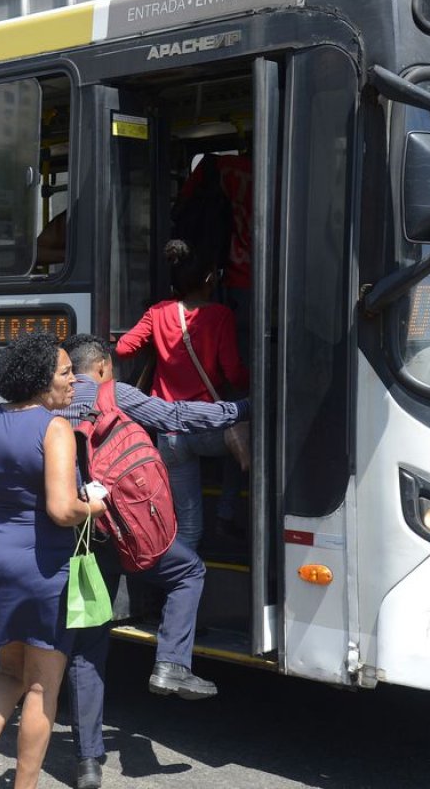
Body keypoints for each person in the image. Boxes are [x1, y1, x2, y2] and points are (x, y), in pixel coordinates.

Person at [59, 333, 248, 789]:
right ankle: (171, 663)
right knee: (188, 571)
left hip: (85, 539)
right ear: (101, 367)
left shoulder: (53, 407)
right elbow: (176, 417)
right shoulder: (113, 393)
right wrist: (240, 409)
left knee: (88, 648)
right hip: (134, 532)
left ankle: (88, 763)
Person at [0, 332, 106, 789]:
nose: (73, 381)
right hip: (42, 568)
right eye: (65, 373)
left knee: (8, 672)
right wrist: (92, 506)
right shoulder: (54, 427)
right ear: (41, 380)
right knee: (41, 687)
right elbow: (62, 510)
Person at [114, 238, 248, 550]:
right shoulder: (220, 316)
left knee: (188, 524)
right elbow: (233, 373)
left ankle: (185, 572)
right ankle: (227, 512)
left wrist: (157, 344)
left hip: (169, 432)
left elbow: (122, 348)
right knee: (243, 444)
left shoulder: (158, 312)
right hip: (207, 428)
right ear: (209, 279)